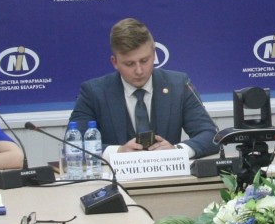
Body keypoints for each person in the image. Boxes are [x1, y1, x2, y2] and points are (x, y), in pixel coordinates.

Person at [70, 18, 217, 159]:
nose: (139, 71)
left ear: (154, 54)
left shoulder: (179, 85)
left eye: (144, 60)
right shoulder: (93, 92)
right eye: (129, 64)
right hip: (116, 176)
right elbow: (74, 144)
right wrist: (117, 152)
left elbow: (211, 135)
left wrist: (176, 151)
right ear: (114, 62)